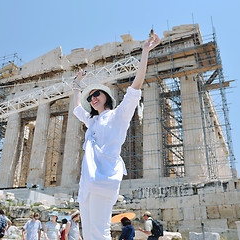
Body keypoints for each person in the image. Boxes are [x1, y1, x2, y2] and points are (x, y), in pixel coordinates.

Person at [73, 32, 160, 239]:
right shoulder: (92, 121)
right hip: (87, 182)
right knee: (89, 232)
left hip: (104, 179)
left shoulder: (119, 115)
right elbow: (77, 107)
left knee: (100, 231)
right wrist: (76, 83)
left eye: (97, 94)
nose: (93, 98)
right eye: (91, 96)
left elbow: (135, 86)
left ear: (107, 97)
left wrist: (145, 51)